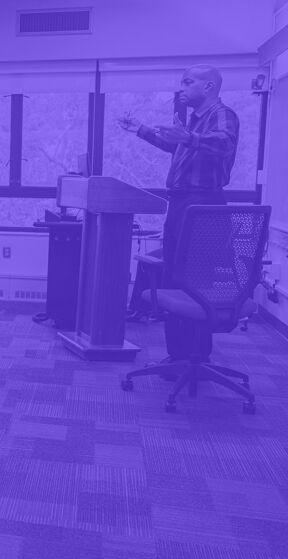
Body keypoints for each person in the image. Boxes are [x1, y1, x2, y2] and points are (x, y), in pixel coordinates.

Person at [118, 64, 239, 363]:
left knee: (197, 279)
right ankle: (178, 355)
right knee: (173, 274)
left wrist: (188, 137)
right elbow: (178, 148)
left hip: (205, 204)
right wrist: (141, 130)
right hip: (181, 204)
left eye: (188, 82)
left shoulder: (222, 114)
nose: (181, 87)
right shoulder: (192, 124)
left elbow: (225, 142)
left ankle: (197, 355)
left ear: (208, 87)